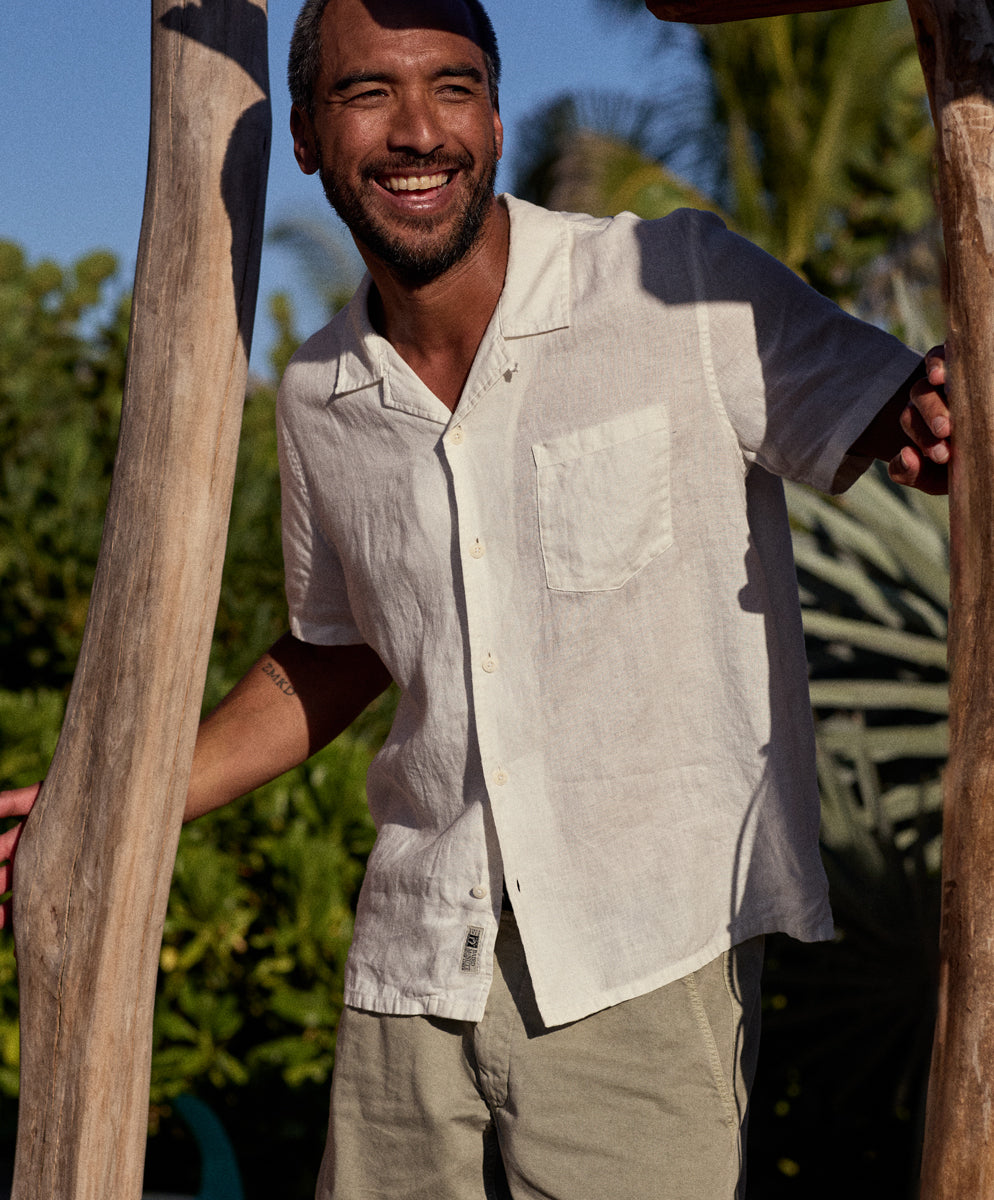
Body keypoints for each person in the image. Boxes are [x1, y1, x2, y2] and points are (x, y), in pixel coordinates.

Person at [0, 0, 951, 1196]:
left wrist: (933, 412)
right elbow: (341, 649)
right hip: (411, 964)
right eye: (367, 93)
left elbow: (899, 415)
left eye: (452, 88)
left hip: (640, 961)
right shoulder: (319, 391)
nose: (417, 130)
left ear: (495, 122)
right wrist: (120, 803)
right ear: (305, 135)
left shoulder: (677, 284)